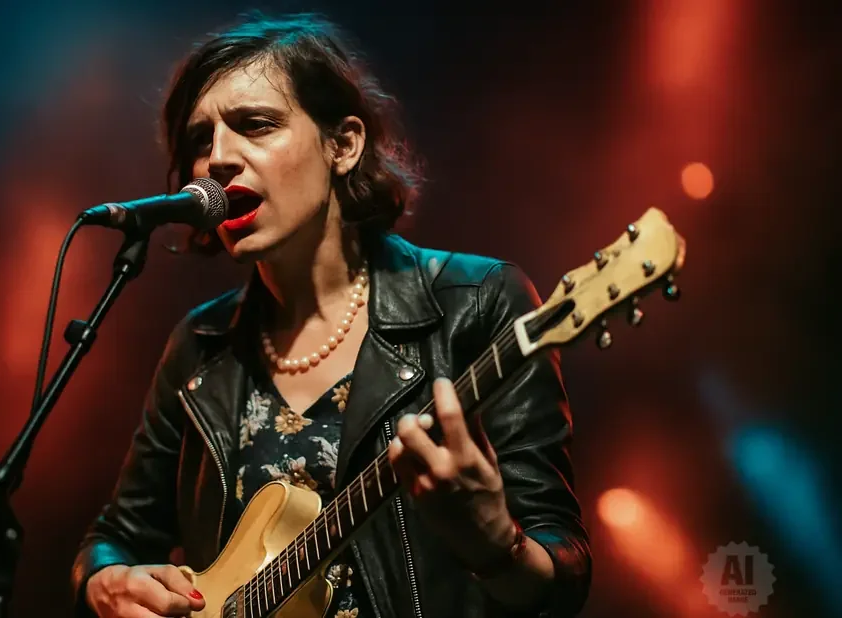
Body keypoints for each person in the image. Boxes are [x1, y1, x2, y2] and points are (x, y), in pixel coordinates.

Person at [72, 11, 591, 618]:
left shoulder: (477, 301)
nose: (217, 159)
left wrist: (493, 541)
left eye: (256, 125)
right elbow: (116, 535)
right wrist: (102, 581)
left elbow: (564, 575)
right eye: (199, 140)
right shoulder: (199, 347)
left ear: (342, 145)